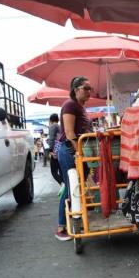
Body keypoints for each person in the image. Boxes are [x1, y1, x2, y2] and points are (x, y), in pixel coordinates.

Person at [55, 76, 92, 241]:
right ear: (76, 89)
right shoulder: (70, 104)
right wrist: (79, 153)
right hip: (70, 151)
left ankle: (76, 220)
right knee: (71, 188)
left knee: (77, 187)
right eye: (87, 88)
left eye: (90, 88)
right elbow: (70, 133)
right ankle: (61, 227)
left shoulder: (79, 106)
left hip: (75, 151)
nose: (90, 91)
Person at [48, 113, 63, 187]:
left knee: (53, 171)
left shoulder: (52, 126)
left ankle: (63, 184)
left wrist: (50, 150)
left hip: (55, 151)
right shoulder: (60, 126)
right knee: (61, 170)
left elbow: (51, 139)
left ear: (50, 119)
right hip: (61, 149)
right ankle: (65, 184)